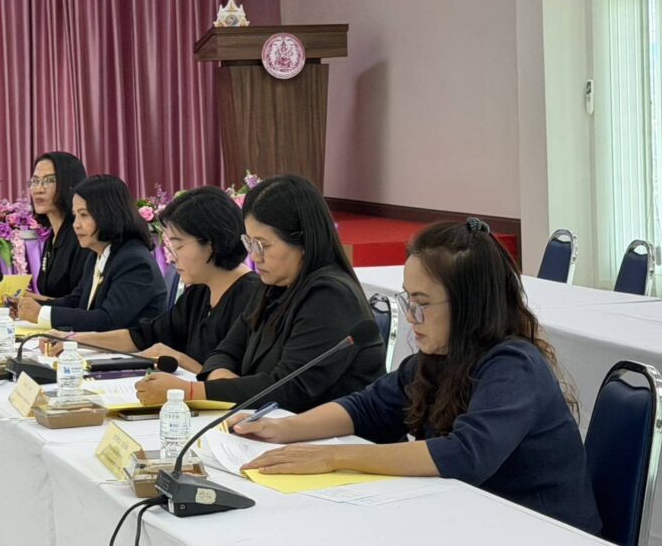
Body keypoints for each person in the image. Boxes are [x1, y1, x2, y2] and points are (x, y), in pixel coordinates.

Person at [232, 218, 602, 535]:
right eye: (408, 300)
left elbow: (465, 455)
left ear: (470, 305)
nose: (411, 316)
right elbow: (368, 408)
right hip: (472, 520)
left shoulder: (514, 366)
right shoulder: (437, 358)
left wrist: (333, 457)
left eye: (422, 304)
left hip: (542, 530)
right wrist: (283, 429)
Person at [136, 174, 384, 411]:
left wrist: (192, 392)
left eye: (263, 245)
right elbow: (224, 352)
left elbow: (290, 388)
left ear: (303, 241)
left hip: (331, 435)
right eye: (250, 243)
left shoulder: (330, 296)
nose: (254, 257)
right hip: (270, 424)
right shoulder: (273, 286)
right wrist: (222, 380)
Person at [63, 187, 260, 373]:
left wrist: (179, 359)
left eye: (178, 246)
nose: (172, 258)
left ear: (211, 244)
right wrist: (74, 339)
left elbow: (240, 385)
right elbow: (146, 335)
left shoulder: (253, 299)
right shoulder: (200, 291)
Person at [16, 175, 164, 332]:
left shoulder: (134, 261)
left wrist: (41, 314)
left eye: (84, 215)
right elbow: (77, 301)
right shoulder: (98, 254)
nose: (76, 225)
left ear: (108, 214)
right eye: (75, 216)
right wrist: (28, 305)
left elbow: (108, 321)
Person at [25, 152, 89, 301]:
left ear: (69, 185)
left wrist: (32, 301)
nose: (38, 189)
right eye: (35, 181)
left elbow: (82, 302)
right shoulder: (53, 236)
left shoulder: (81, 234)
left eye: (49, 181)